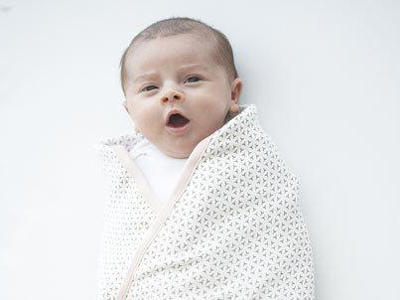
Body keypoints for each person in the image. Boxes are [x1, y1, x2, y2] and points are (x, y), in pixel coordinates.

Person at [94, 17, 315, 300]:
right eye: (150, 88)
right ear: (130, 112)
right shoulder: (128, 167)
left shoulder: (247, 160)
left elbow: (274, 245)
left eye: (192, 79)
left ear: (233, 94)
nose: (170, 93)